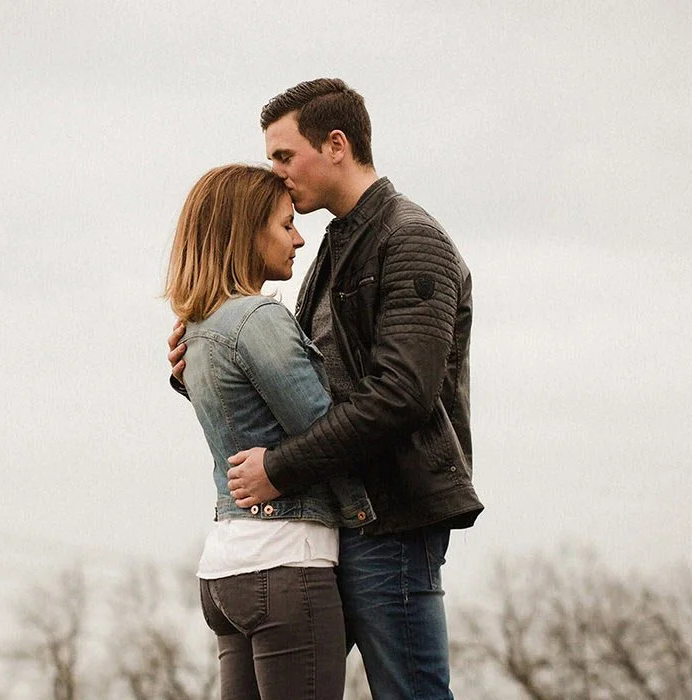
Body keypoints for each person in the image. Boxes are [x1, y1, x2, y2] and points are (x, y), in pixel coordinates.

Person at [168, 79, 483, 699]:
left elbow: (402, 395)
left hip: (390, 518)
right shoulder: (338, 247)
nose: (277, 175)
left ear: (335, 144)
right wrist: (202, 371)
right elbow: (300, 387)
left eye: (284, 157)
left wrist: (280, 468)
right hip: (338, 520)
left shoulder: (410, 240)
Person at [165, 163, 376, 700]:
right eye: (286, 226)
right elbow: (327, 433)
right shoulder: (258, 317)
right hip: (285, 562)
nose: (300, 238)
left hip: (226, 570)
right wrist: (369, 518)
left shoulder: (198, 325)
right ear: (246, 232)